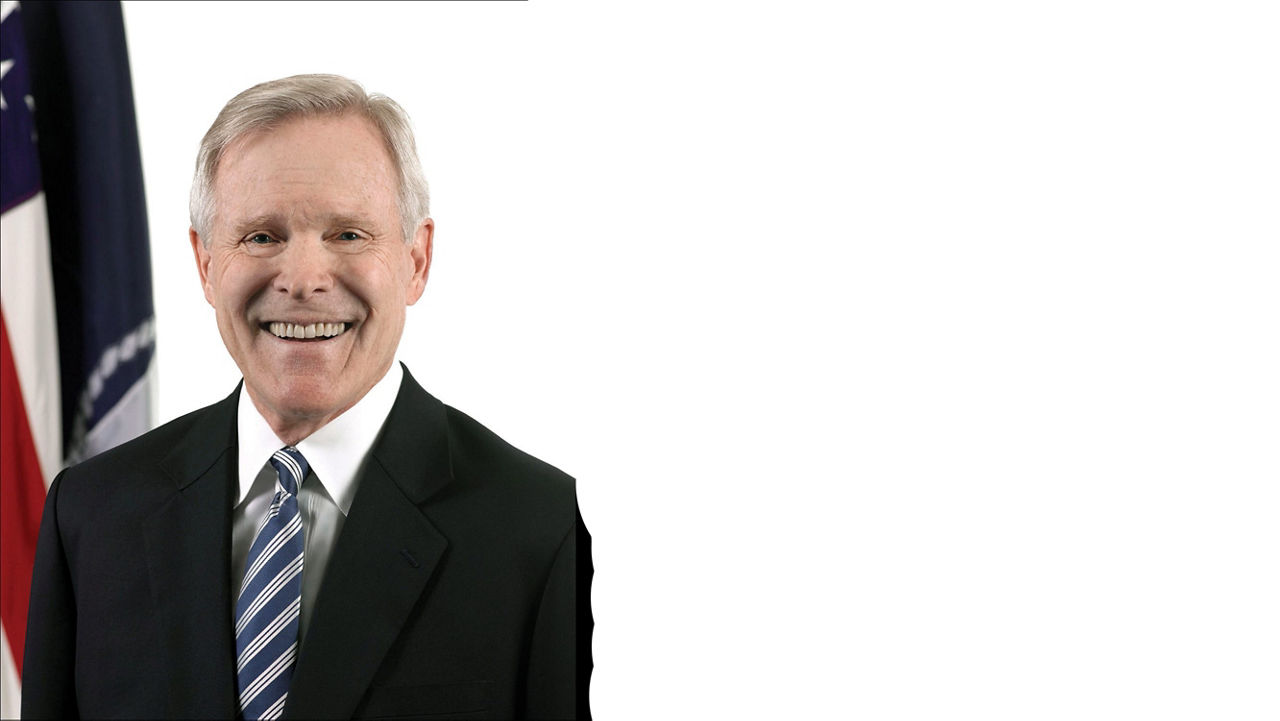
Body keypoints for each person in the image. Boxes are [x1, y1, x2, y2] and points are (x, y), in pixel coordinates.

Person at [22, 74, 589, 720]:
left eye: (348, 234)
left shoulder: (544, 531)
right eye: (262, 236)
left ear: (417, 260)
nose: (302, 280)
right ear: (206, 264)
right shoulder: (90, 516)